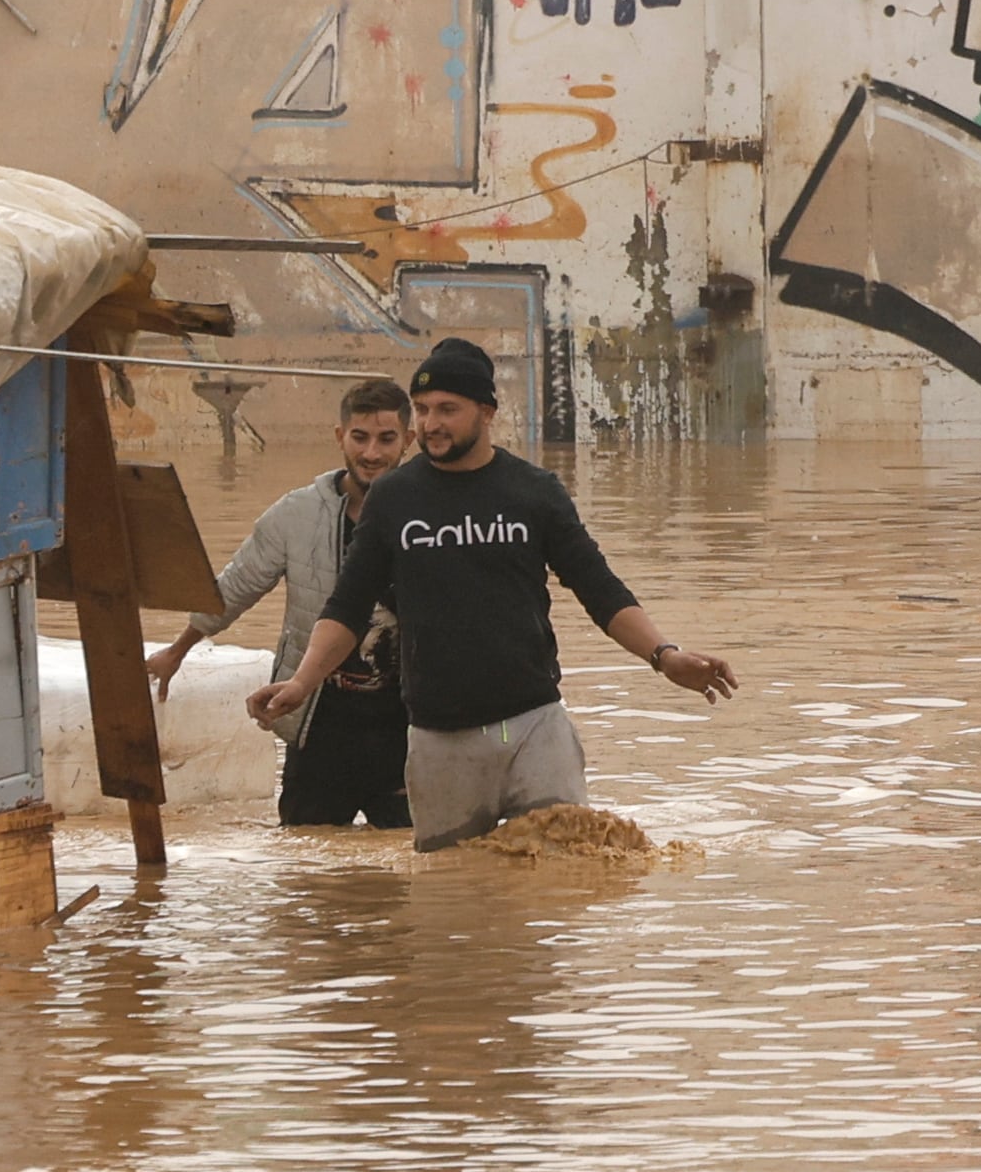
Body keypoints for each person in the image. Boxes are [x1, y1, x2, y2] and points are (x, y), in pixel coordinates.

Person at [249, 336, 734, 850]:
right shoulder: (394, 498)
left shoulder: (534, 492)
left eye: (448, 409)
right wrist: (302, 683)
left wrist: (664, 656)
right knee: (451, 898)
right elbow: (346, 607)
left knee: (565, 876)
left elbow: (601, 589)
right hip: (439, 741)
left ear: (487, 412)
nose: (432, 423)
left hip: (535, 727)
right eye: (424, 409)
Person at [152, 377, 414, 828]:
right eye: (360, 437)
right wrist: (178, 650)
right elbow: (234, 588)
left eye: (386, 439)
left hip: (408, 725)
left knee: (416, 868)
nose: (372, 453)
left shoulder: (429, 514)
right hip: (318, 721)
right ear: (339, 437)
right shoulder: (297, 514)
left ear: (408, 440)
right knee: (306, 868)